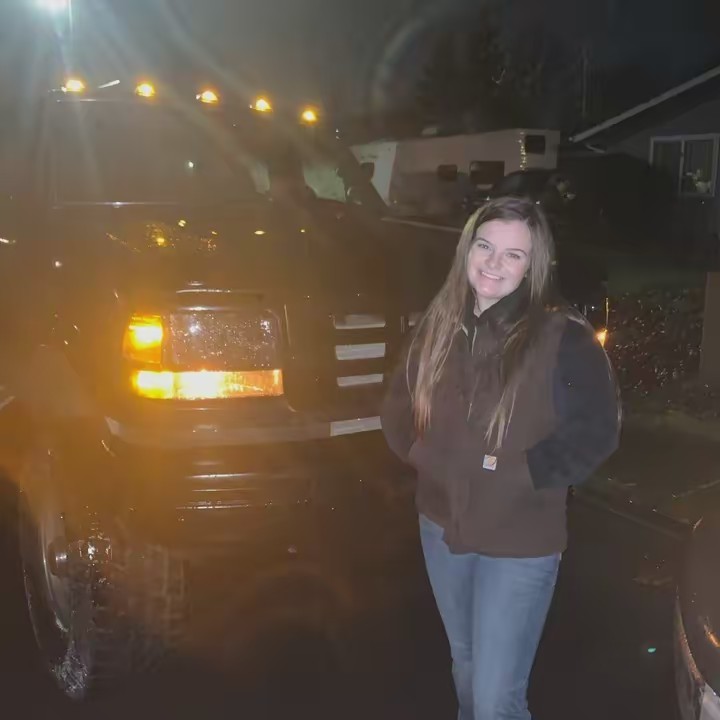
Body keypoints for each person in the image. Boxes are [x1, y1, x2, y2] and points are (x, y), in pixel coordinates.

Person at [381, 196, 620, 720]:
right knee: (465, 664)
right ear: (467, 249)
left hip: (520, 539)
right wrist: (428, 459)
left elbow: (596, 432)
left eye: (514, 255)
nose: (494, 263)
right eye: (485, 246)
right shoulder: (437, 325)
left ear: (534, 266)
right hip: (440, 527)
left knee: (495, 700)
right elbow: (397, 405)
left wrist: (519, 474)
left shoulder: (563, 337)